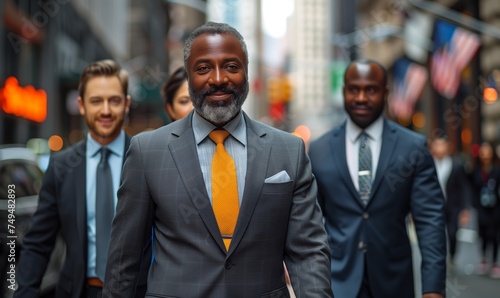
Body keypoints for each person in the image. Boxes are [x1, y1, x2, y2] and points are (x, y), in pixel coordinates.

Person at [103, 22, 333, 298]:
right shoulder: (147, 151)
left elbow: (308, 252)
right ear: (188, 77)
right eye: (203, 69)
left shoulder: (289, 150)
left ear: (247, 73)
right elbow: (124, 262)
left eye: (231, 67)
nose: (218, 78)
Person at [308, 59, 447, 298]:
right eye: (354, 89)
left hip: (394, 281)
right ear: (344, 92)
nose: (361, 97)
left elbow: (430, 222)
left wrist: (433, 289)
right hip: (336, 283)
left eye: (370, 89)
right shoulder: (319, 150)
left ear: (385, 93)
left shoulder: (413, 148)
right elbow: (309, 225)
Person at [14, 60, 148, 298]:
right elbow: (38, 243)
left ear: (126, 104)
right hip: (77, 292)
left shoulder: (147, 160)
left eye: (114, 100)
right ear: (81, 104)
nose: (105, 110)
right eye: (96, 100)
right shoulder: (61, 167)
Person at [430, 136, 471, 267]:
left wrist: (465, 209)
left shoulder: (456, 165)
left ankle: (452, 255)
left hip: (453, 206)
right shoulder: (428, 164)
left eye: (442, 145)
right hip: (434, 206)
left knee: (453, 232)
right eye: (437, 145)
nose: (440, 148)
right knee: (436, 234)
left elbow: (463, 187)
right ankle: (439, 258)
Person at [468, 142, 500, 278]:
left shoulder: (497, 171)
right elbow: (471, 188)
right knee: (483, 234)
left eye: (488, 153)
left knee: (495, 235)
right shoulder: (475, 171)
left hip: (496, 207)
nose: (485, 156)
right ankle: (484, 259)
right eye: (483, 153)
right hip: (481, 207)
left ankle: (494, 262)